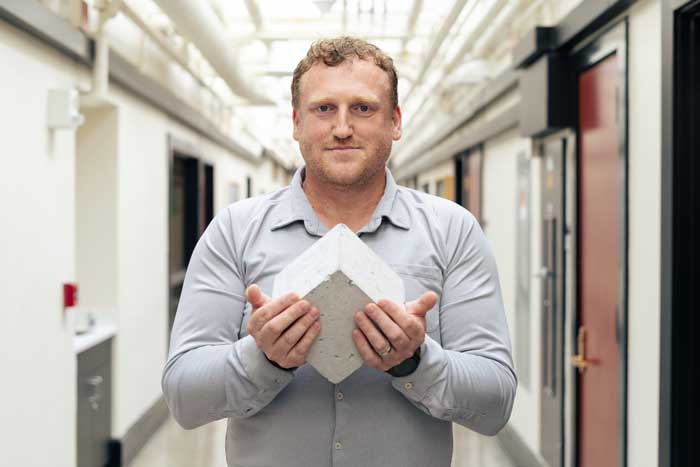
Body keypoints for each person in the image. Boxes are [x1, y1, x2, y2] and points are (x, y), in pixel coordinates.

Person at [163, 36, 516, 467]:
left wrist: (415, 362)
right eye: (323, 108)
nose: (343, 127)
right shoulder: (235, 231)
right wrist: (262, 357)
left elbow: (496, 401)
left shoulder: (452, 231)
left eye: (364, 108)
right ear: (296, 123)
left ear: (395, 121)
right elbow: (183, 395)